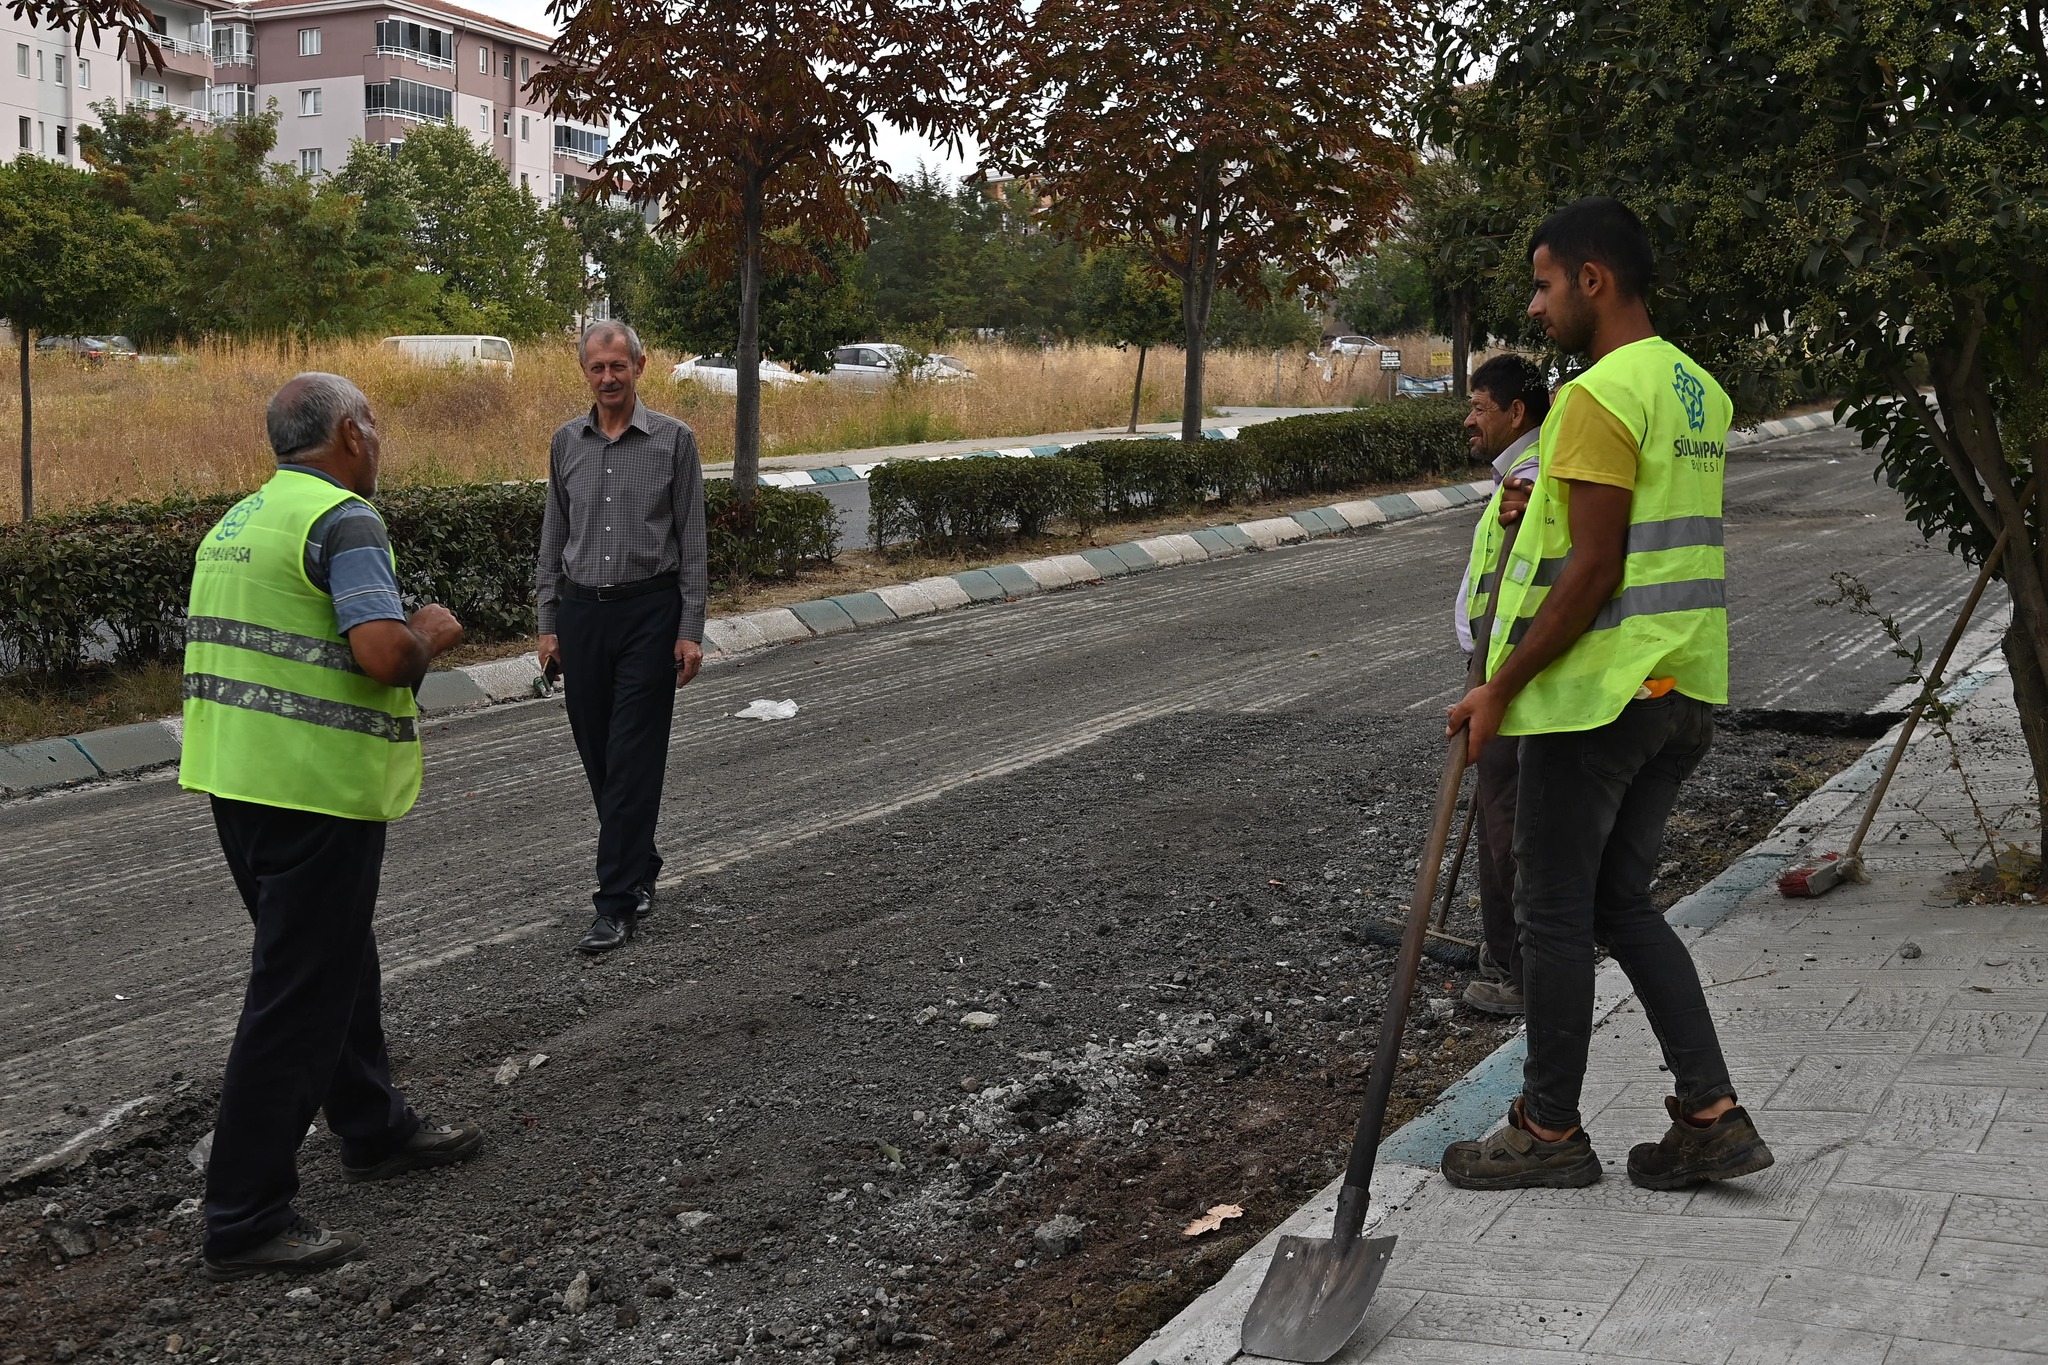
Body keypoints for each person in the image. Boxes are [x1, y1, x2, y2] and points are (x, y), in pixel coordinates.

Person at [1440, 197, 1773, 1192]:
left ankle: (1546, 1132)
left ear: (1591, 279)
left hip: (1598, 700)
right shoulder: (1693, 388)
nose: (1535, 308)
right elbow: (1631, 520)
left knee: (1549, 915)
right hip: (1683, 687)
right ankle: (1709, 1115)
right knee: (1620, 906)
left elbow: (1590, 570)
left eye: (1543, 285)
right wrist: (1533, 493)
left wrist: (1498, 688)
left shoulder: (1592, 396)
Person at [180, 374, 482, 1279]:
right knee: (296, 997)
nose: (380, 442)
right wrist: (433, 631)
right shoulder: (344, 519)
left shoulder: (237, 523)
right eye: (376, 426)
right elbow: (383, 653)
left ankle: (372, 1124)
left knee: (339, 963)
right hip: (313, 791)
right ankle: (243, 1213)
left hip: (239, 785)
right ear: (350, 434)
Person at [535, 321, 708, 954]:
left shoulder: (674, 441)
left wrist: (690, 630)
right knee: (600, 759)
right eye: (597, 368)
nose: (608, 378)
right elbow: (554, 535)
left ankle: (614, 902)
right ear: (584, 371)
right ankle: (640, 862)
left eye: (619, 366)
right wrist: (547, 623)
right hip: (582, 617)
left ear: (641, 365)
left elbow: (692, 541)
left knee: (632, 757)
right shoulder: (565, 442)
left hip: (649, 616)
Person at [1452, 354, 1549, 1016]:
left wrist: (1496, 680)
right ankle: (1505, 953)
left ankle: (1523, 973)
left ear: (1517, 411)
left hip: (1516, 682)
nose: (1469, 419)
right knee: (1498, 818)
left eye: (1480, 406)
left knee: (1511, 827)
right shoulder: (1514, 479)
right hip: (1497, 676)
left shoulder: (1536, 481)